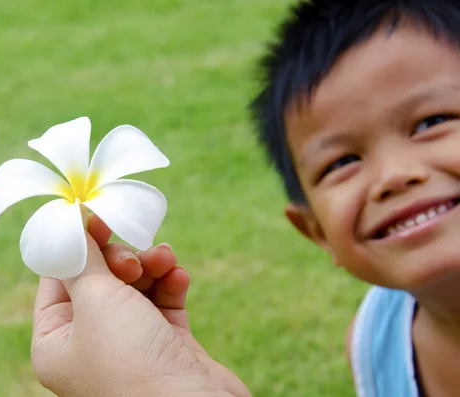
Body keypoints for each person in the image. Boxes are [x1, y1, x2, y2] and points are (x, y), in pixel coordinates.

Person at [31, 1, 460, 396]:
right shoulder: (372, 344)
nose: (394, 176)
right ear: (315, 231)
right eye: (342, 161)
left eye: (433, 122)